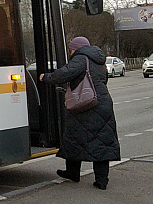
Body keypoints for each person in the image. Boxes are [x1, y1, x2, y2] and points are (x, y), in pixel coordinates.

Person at [39, 36, 120, 189]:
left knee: (74, 138)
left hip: (85, 105)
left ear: (75, 48)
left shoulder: (81, 58)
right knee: (101, 141)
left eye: (70, 49)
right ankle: (101, 181)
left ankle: (73, 172)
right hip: (102, 103)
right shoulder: (99, 60)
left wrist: (46, 77)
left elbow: (65, 73)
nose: (70, 52)